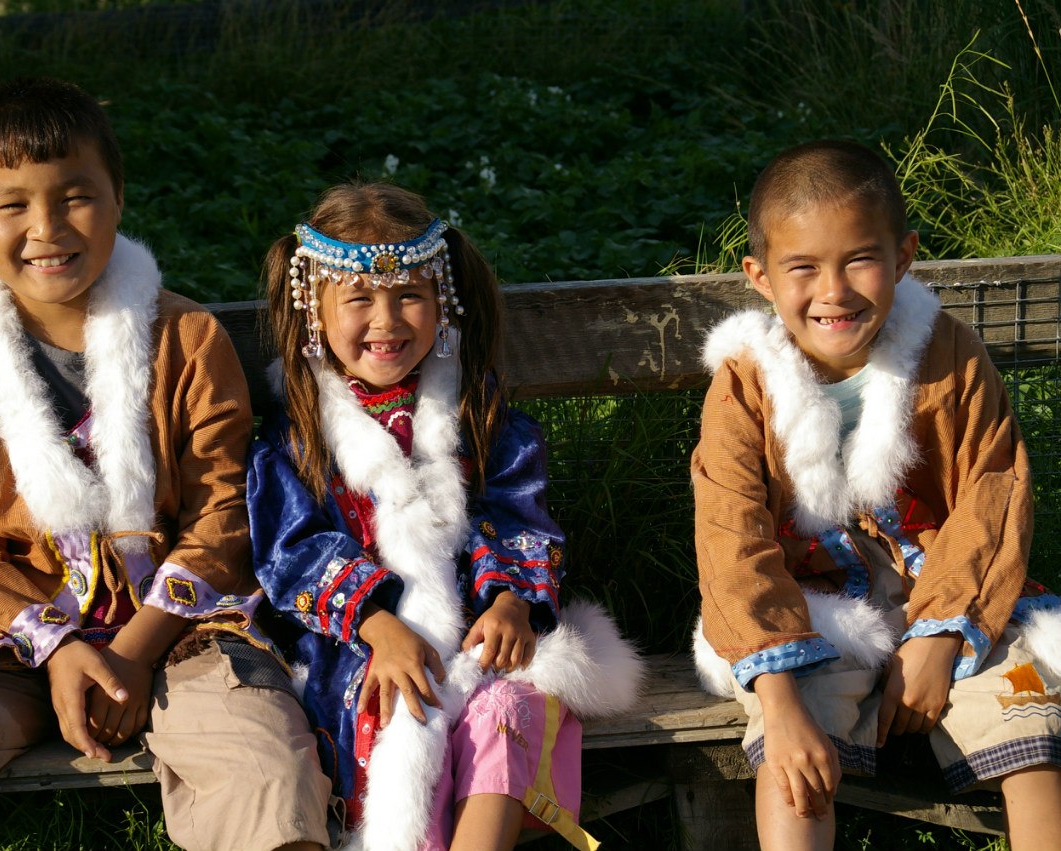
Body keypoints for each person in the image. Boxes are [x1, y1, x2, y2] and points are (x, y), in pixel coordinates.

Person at [0, 77, 330, 851]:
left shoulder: (185, 340)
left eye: (75, 196)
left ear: (117, 197)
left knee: (265, 766)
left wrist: (127, 652)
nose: (46, 227)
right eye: (12, 205)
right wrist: (62, 647)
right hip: (1, 645)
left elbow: (225, 514)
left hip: (178, 632)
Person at [247, 183, 644, 851]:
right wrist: (378, 628)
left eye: (408, 294)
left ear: (442, 301)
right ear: (314, 308)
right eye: (359, 298)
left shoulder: (484, 421)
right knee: (397, 717)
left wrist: (512, 601)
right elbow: (294, 553)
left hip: (484, 637)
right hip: (361, 646)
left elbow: (520, 518)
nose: (386, 319)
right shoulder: (296, 441)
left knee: (510, 708)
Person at [691, 139, 1061, 850]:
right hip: (811, 607)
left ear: (903, 256)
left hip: (949, 587)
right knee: (794, 748)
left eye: (859, 258)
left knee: (1026, 704)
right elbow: (729, 537)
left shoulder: (948, 353)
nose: (834, 291)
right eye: (803, 267)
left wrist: (944, 631)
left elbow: (992, 494)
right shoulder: (743, 384)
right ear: (760, 277)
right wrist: (776, 691)